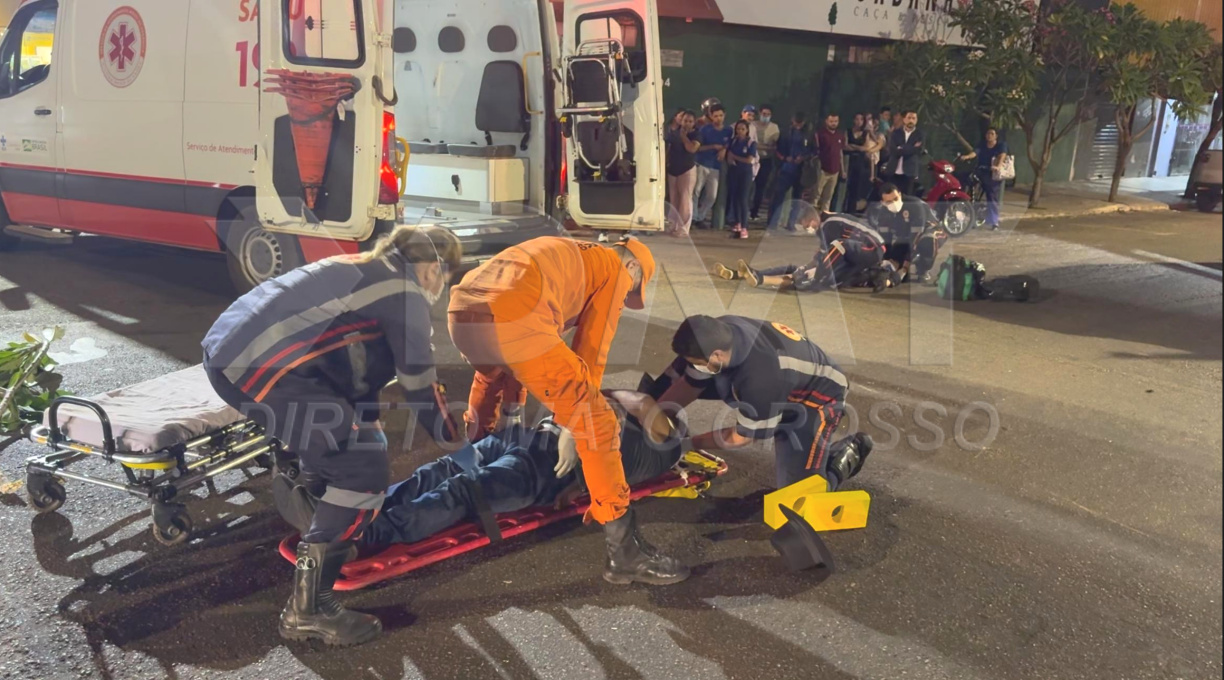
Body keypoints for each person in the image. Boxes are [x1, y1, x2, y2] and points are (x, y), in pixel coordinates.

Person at [201, 225, 465, 647]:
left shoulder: (364, 266)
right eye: (445, 278)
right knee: (361, 468)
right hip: (259, 363)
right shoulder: (404, 291)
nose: (441, 288)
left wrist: (368, 419)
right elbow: (419, 383)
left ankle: (325, 527)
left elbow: (351, 360)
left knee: (346, 441)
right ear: (433, 268)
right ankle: (309, 609)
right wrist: (455, 439)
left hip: (230, 349)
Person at [447, 235, 689, 584]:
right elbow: (592, 349)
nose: (625, 295)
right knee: (598, 421)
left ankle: (478, 447)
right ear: (632, 267)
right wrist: (569, 426)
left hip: (462, 311)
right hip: (515, 317)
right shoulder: (613, 268)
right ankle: (624, 554)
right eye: (631, 289)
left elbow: (513, 349)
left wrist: (515, 415)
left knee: (491, 375)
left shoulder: (567, 249)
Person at [273, 390, 693, 585]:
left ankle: (362, 527)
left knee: (451, 482)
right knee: (453, 483)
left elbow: (629, 397)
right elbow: (611, 400)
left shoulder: (667, 438)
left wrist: (578, 418)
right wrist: (576, 421)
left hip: (543, 462)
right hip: (541, 451)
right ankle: (358, 519)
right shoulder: (660, 451)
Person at [653, 315, 872, 490]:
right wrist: (653, 417)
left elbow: (740, 438)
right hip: (782, 383)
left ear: (716, 355)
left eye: (698, 363)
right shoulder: (718, 333)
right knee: (695, 379)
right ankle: (768, 416)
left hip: (816, 400)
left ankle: (846, 455)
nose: (695, 367)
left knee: (800, 499)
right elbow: (690, 383)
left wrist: (687, 445)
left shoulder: (761, 377)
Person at [715, 212, 890, 293]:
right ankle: (747, 274)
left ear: (813, 218)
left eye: (806, 223)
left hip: (872, 249)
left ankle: (761, 278)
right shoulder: (827, 228)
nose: (806, 227)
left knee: (813, 274)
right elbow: (822, 256)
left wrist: (816, 271)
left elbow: (833, 252)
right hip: (858, 257)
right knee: (801, 270)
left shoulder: (830, 224)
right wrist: (808, 267)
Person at [866, 182, 946, 283]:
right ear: (883, 202)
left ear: (900, 194)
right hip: (906, 235)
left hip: (930, 230)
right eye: (889, 201)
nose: (894, 203)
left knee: (928, 240)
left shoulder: (914, 205)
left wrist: (906, 265)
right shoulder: (883, 212)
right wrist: (887, 261)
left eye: (895, 199)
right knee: (897, 266)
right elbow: (885, 239)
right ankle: (911, 261)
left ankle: (923, 269)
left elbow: (915, 237)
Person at [768, 111, 814, 232]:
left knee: (797, 198)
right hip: (786, 169)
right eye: (796, 123)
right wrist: (784, 158)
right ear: (792, 121)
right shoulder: (785, 133)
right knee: (778, 196)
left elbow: (813, 151)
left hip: (801, 171)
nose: (798, 125)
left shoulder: (809, 134)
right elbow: (777, 149)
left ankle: (791, 223)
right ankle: (772, 223)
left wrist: (803, 157)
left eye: (800, 123)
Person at [958, 127, 1010, 229]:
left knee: (991, 196)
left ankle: (994, 222)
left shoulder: (1001, 145)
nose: (989, 136)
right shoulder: (982, 144)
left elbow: (1002, 156)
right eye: (988, 133)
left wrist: (998, 166)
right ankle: (971, 217)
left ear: (996, 136)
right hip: (981, 170)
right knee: (971, 190)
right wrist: (967, 157)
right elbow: (975, 152)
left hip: (992, 173)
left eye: (992, 134)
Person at [692, 104, 731, 227]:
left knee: (712, 195)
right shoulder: (705, 130)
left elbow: (729, 144)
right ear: (711, 116)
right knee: (696, 191)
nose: (718, 118)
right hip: (702, 164)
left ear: (724, 116)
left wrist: (724, 149)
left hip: (716, 167)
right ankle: (693, 217)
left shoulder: (728, 130)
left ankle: (700, 217)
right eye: (715, 116)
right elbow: (698, 148)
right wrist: (713, 146)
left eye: (720, 116)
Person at [666, 110, 701, 237]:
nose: (687, 123)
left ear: (694, 123)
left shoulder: (696, 135)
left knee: (685, 198)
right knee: (674, 198)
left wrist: (683, 136)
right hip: (673, 169)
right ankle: (672, 225)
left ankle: (683, 228)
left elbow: (691, 148)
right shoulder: (673, 133)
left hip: (687, 169)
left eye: (690, 121)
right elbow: (668, 149)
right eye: (685, 120)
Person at [724, 120, 758, 239]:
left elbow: (749, 160)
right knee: (735, 198)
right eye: (738, 129)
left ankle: (744, 227)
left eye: (743, 129)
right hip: (734, 172)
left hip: (745, 173)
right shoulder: (733, 141)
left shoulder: (751, 143)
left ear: (747, 130)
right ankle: (737, 224)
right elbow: (728, 156)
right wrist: (731, 159)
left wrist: (735, 157)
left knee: (743, 199)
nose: (740, 131)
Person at [751, 104, 781, 222]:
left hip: (766, 161)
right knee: (748, 187)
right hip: (752, 159)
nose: (766, 116)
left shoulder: (774, 128)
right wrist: (763, 146)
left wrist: (759, 146)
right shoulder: (752, 125)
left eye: (768, 115)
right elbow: (751, 143)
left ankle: (754, 212)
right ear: (759, 113)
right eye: (764, 114)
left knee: (760, 187)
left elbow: (774, 147)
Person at [813, 113, 846, 215]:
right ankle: (810, 218)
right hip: (823, 169)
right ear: (826, 121)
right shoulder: (821, 134)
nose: (833, 124)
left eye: (835, 121)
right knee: (816, 195)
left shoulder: (840, 135)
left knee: (828, 196)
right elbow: (816, 151)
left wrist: (843, 170)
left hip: (835, 170)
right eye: (831, 121)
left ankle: (824, 218)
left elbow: (840, 152)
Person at [888, 111, 924, 196]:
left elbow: (919, 150)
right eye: (909, 118)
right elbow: (893, 150)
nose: (911, 120)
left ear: (916, 120)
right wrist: (911, 147)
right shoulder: (896, 133)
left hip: (909, 171)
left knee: (907, 198)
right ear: (904, 119)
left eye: (913, 118)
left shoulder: (920, 135)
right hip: (894, 170)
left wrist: (901, 147)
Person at [844, 113, 873, 214]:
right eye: (857, 119)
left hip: (860, 162)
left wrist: (854, 147)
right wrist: (858, 148)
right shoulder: (848, 131)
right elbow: (845, 146)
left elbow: (866, 147)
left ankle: (851, 211)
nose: (859, 122)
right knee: (845, 187)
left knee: (856, 187)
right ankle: (842, 208)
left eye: (861, 119)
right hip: (848, 160)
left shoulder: (865, 133)